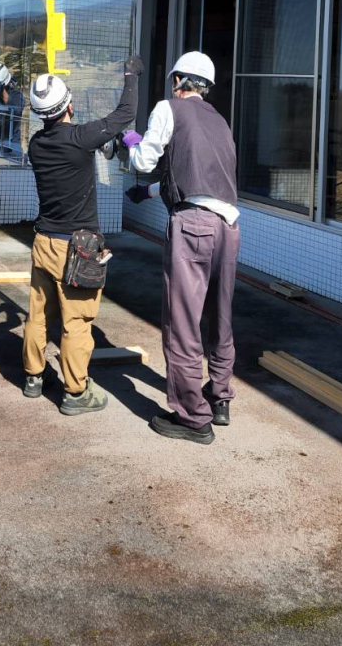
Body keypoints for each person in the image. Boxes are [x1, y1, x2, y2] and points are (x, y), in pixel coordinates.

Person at [125, 51, 239, 445]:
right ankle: (219, 397)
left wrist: (129, 141)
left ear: (178, 81)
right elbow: (200, 178)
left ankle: (192, 418)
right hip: (229, 226)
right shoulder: (219, 122)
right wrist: (151, 192)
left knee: (183, 321)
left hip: (193, 227)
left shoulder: (167, 108)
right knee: (219, 315)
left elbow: (144, 158)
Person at [22, 56, 142, 414]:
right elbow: (124, 114)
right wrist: (131, 74)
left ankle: (33, 377)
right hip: (76, 249)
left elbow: (85, 140)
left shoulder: (36, 145)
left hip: (43, 242)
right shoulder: (80, 138)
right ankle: (75, 393)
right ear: (69, 105)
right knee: (76, 322)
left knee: (38, 314)